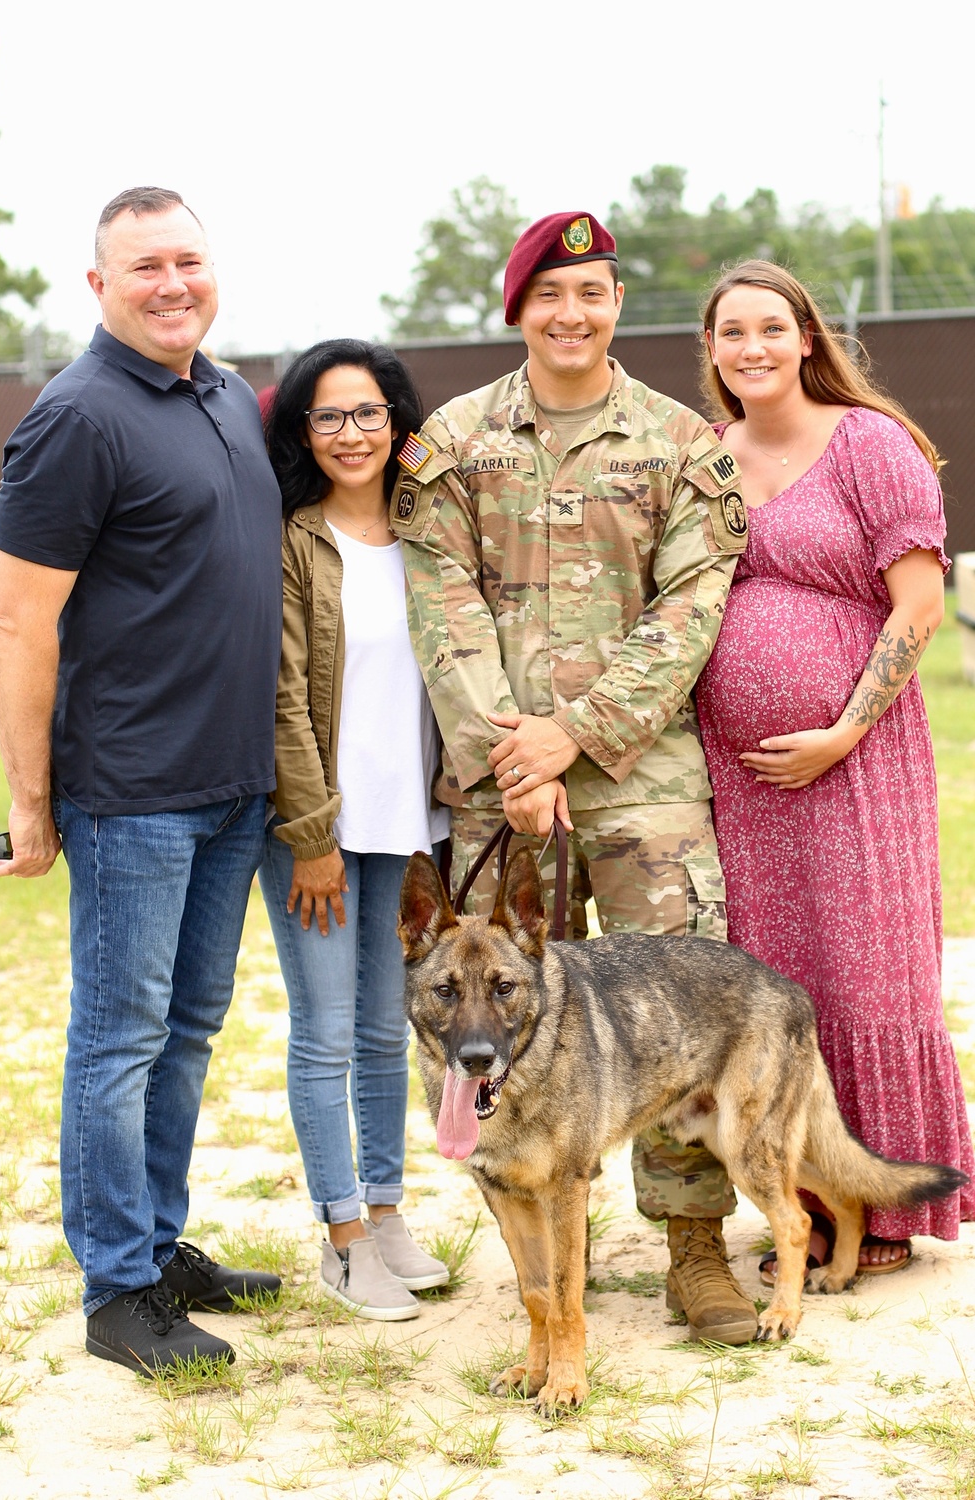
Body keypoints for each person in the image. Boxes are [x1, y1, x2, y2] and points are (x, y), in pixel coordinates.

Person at [389, 212, 759, 1344]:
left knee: (675, 1024)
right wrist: (516, 751)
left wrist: (578, 734)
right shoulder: (452, 441)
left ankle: (694, 1252)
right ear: (518, 309)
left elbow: (692, 603)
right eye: (549, 294)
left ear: (614, 304)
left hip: (640, 785)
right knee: (487, 1010)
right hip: (501, 789)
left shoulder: (680, 442)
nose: (572, 313)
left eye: (592, 291)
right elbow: (440, 608)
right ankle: (550, 1269)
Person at [0, 187, 284, 1373]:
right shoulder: (75, 418)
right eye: (145, 267)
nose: (174, 284)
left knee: (188, 1032)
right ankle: (118, 1292)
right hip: (130, 793)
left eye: (190, 261)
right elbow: (17, 623)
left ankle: (160, 1248)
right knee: (118, 1041)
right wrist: (29, 807)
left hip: (231, 786)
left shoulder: (219, 393)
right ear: (99, 287)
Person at [696, 259, 975, 1279]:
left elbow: (918, 608)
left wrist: (839, 734)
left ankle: (884, 1207)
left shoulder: (870, 445)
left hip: (856, 762)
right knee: (777, 986)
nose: (753, 348)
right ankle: (802, 1205)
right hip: (742, 781)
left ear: (806, 337)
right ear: (713, 351)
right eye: (732, 333)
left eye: (771, 328)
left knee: (864, 975)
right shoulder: (708, 456)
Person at [259, 339, 451, 1321]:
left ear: (396, 420)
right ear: (303, 430)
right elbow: (284, 697)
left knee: (386, 1032)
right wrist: (309, 834)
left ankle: (384, 1215)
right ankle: (339, 1240)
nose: (349, 433)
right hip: (319, 831)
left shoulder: (426, 534)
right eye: (328, 416)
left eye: (367, 413)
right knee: (326, 1034)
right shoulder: (294, 540)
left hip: (408, 824)